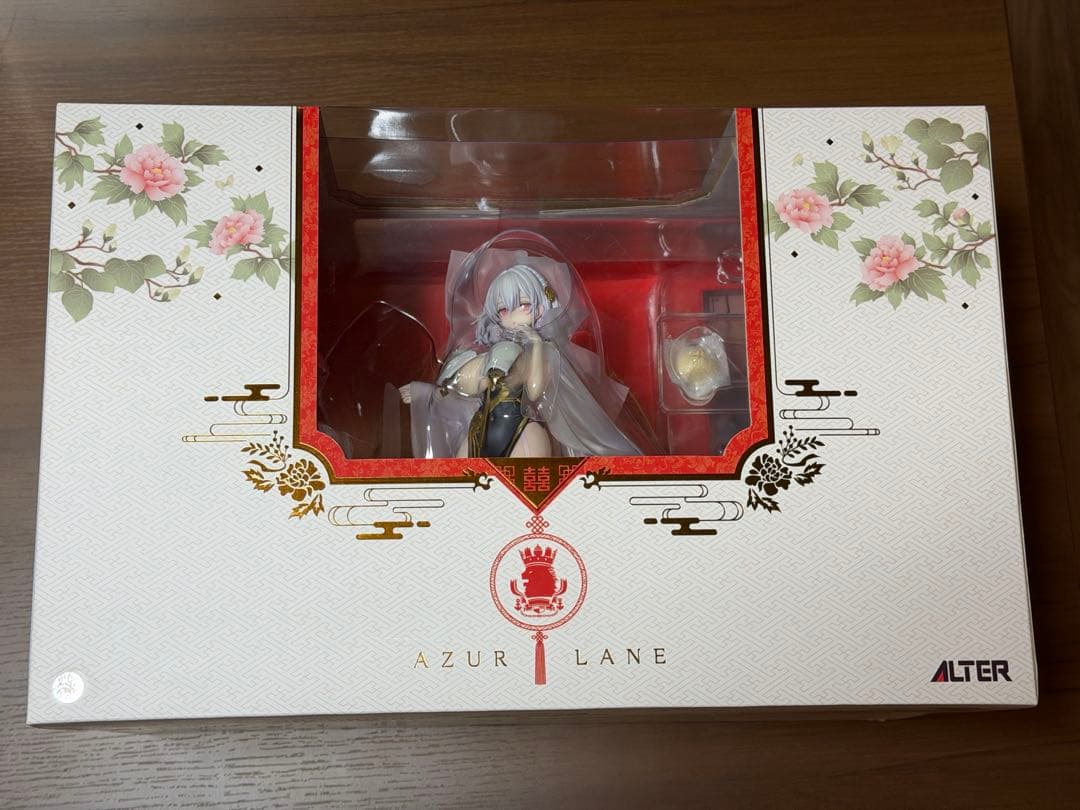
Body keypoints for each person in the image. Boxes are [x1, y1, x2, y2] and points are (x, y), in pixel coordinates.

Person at [400, 237, 642, 459]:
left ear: (540, 308)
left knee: (527, 485)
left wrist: (536, 345)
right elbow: (465, 385)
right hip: (481, 428)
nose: (513, 315)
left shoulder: (541, 352)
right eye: (504, 309)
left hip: (523, 430)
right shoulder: (489, 353)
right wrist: (426, 393)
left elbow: (535, 392)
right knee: (462, 477)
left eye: (524, 305)